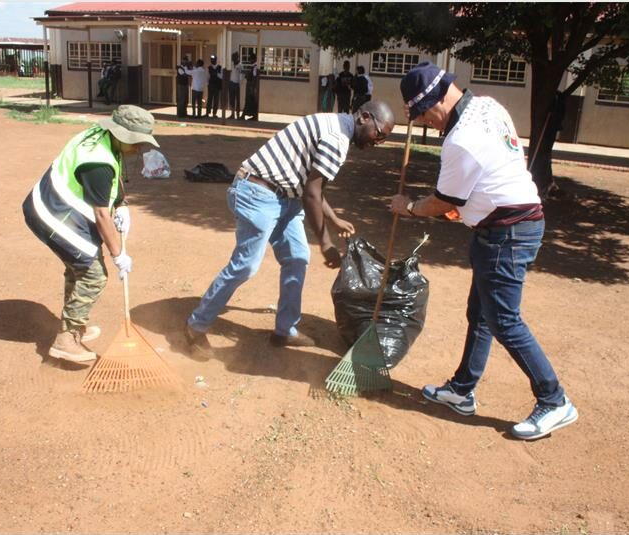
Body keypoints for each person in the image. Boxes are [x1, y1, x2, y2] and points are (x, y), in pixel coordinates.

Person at [390, 62, 578, 441]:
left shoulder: (461, 139)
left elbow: (442, 202)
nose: (427, 123)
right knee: (480, 314)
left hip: (507, 234)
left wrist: (408, 208)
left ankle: (554, 399)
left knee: (505, 320)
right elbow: (484, 177)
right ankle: (462, 390)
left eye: (425, 114)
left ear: (438, 100)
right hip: (502, 227)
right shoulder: (489, 106)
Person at [185, 101, 395, 354]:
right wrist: (326, 243)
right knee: (245, 266)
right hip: (257, 193)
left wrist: (334, 218)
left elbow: (313, 187)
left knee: (297, 257)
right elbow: (311, 194)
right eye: (379, 134)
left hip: (285, 197)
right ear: (364, 117)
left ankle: (285, 329)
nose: (378, 142)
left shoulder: (337, 125)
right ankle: (196, 326)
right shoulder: (336, 138)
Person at [22, 105, 160, 364]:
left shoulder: (103, 137)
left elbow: (115, 176)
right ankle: (67, 338)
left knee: (79, 266)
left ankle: (72, 326)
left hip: (54, 206)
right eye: (137, 142)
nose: (140, 148)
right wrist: (119, 254)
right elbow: (100, 216)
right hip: (52, 214)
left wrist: (121, 204)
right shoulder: (98, 162)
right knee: (93, 274)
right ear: (121, 134)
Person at [243, 55, 260, 121]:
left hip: (252, 87)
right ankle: (251, 115)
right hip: (251, 86)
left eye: (250, 60)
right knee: (250, 102)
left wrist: (254, 88)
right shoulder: (253, 67)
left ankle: (253, 116)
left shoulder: (255, 67)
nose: (250, 61)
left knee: (251, 102)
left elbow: (255, 77)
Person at [228, 52, 243, 119]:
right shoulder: (231, 64)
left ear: (236, 58)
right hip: (231, 83)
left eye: (233, 57)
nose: (232, 59)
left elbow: (241, 75)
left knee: (237, 100)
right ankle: (232, 114)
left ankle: (238, 115)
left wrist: (240, 83)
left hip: (237, 84)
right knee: (232, 99)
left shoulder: (240, 65)